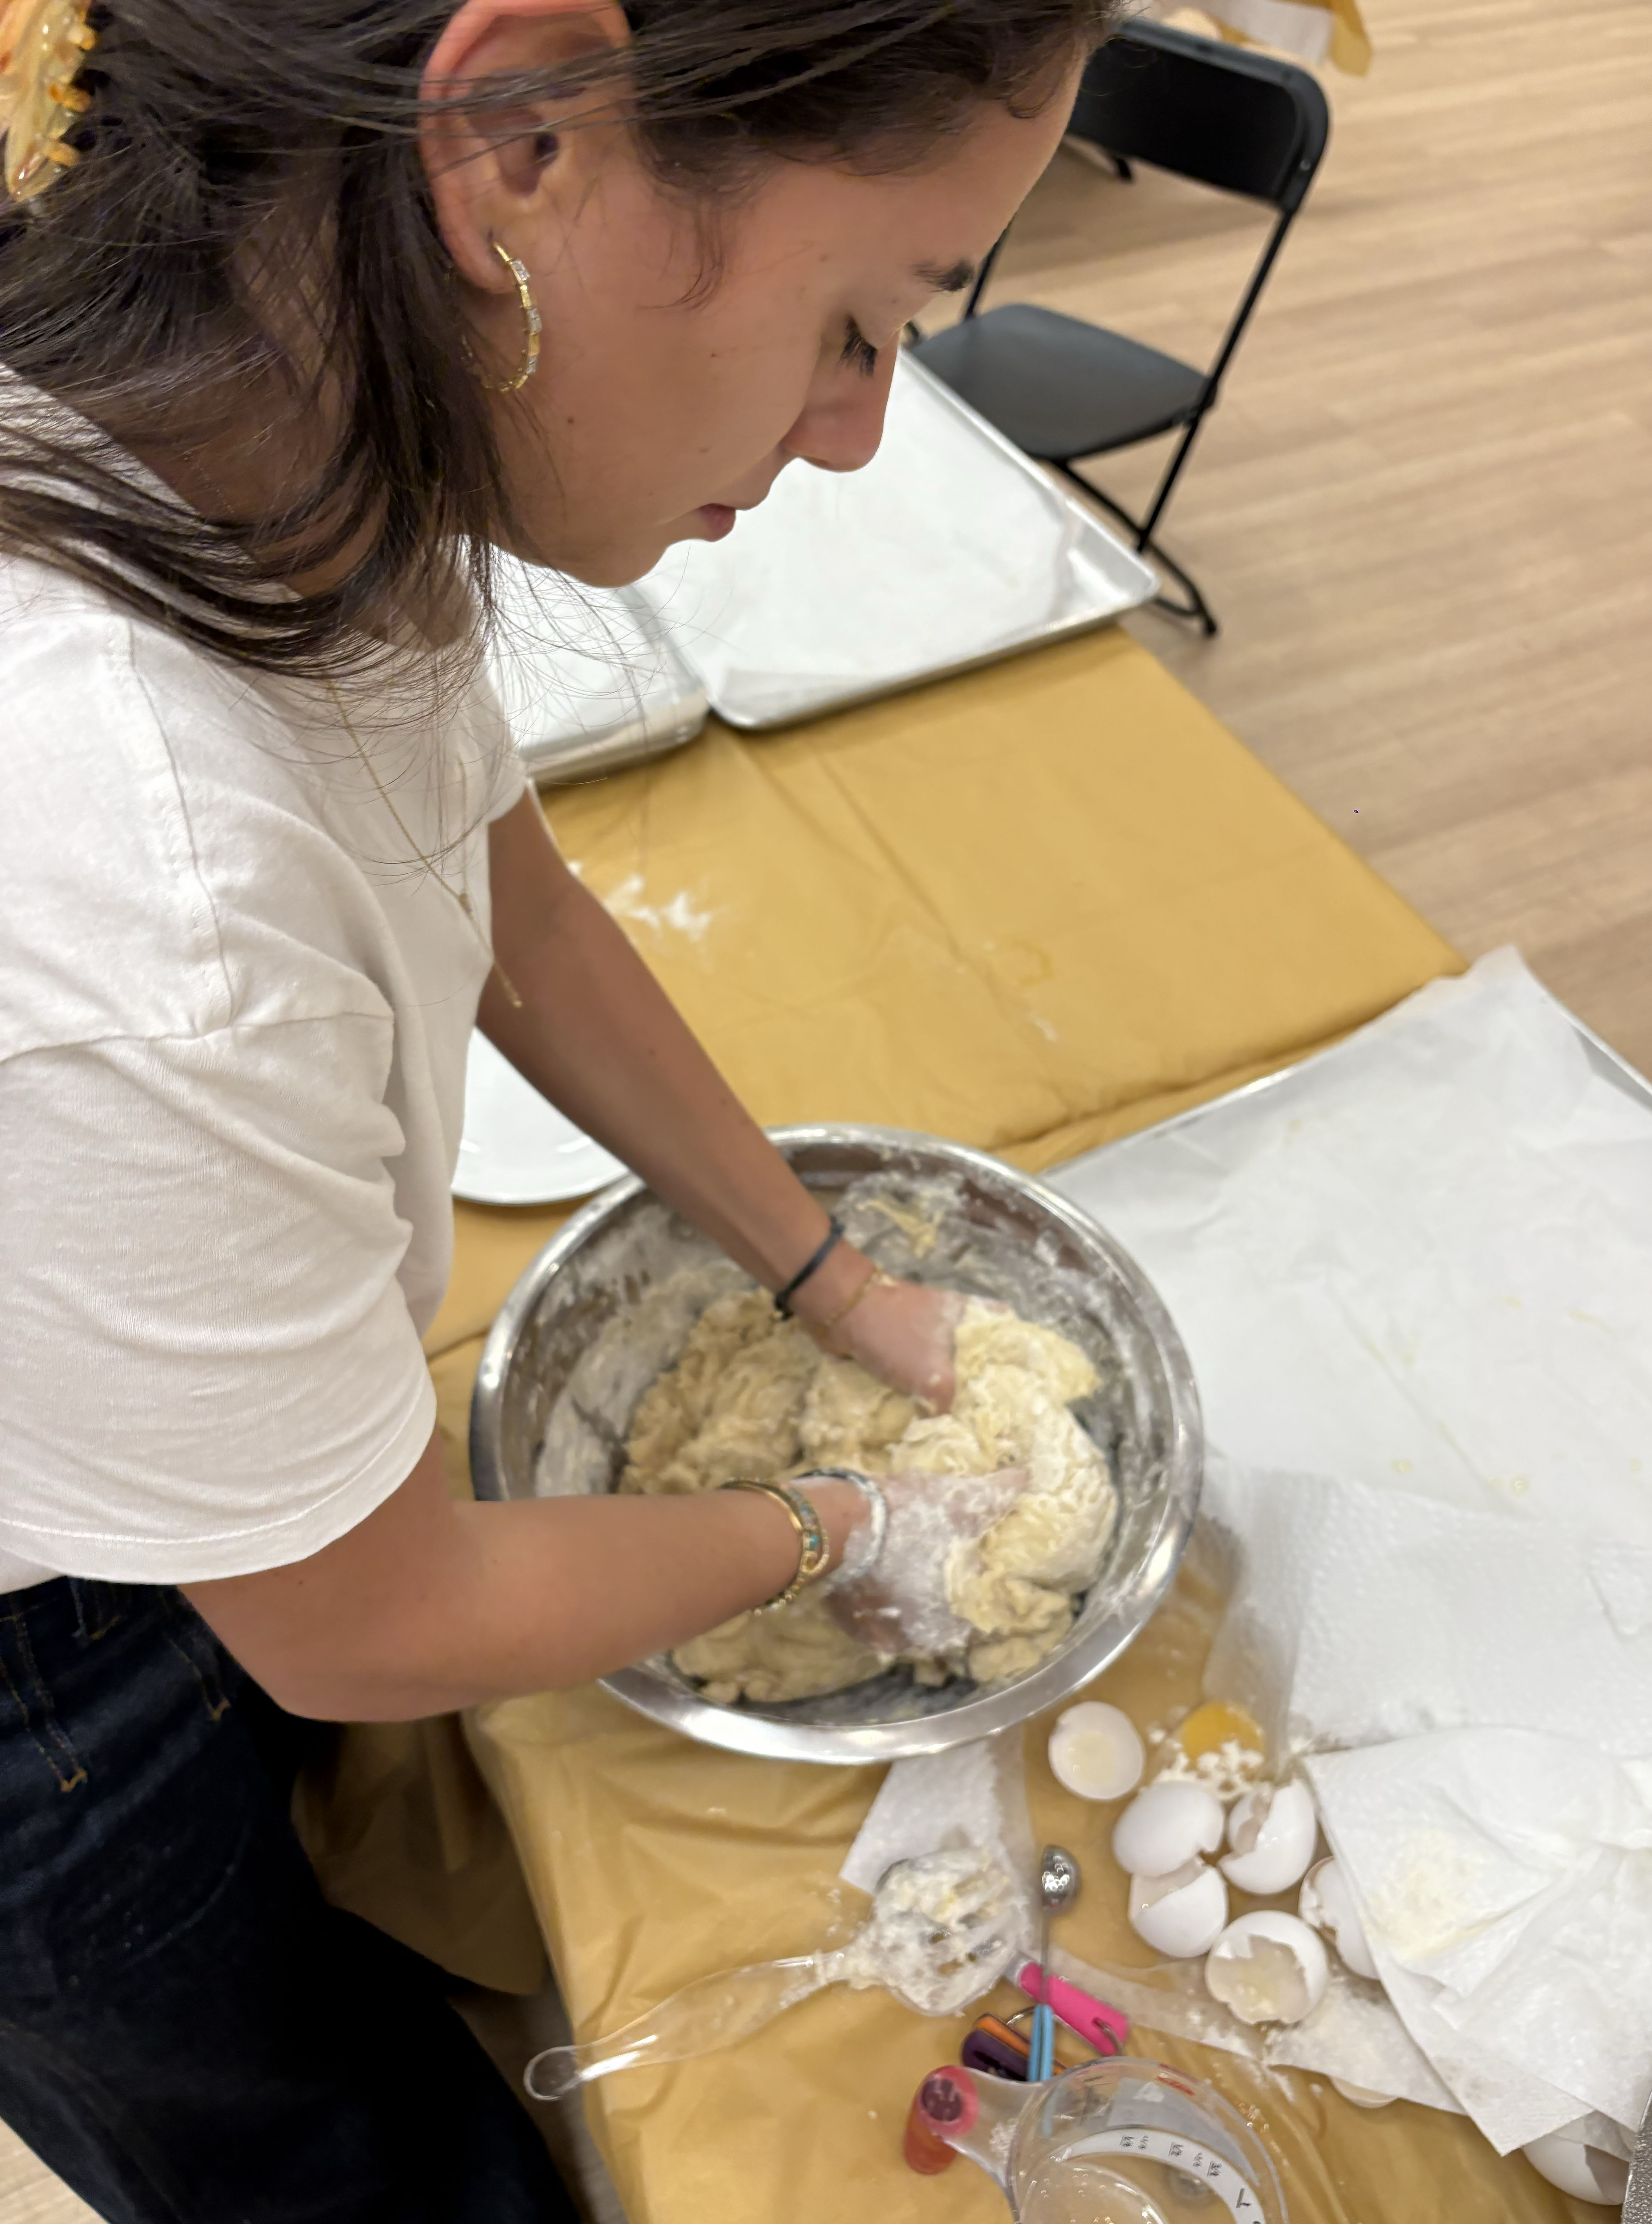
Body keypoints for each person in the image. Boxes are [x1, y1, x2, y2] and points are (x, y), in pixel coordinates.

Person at [0, 0, 1112, 2213]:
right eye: (861, 318)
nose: (865, 429)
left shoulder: (289, 425)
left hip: (185, 1504)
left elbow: (490, 875)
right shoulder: (144, 900)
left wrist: (834, 1281)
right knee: (285, 2124)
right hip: (48, 1698)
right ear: (522, 140)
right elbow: (358, 1617)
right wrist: (851, 1530)